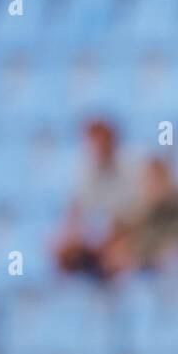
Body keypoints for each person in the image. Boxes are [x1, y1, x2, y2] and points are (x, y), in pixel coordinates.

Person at [52, 118, 139, 277]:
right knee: (63, 251)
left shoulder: (132, 168)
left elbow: (134, 216)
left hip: (124, 235)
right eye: (94, 143)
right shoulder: (83, 170)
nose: (98, 148)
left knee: (118, 258)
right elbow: (76, 212)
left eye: (102, 142)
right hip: (95, 235)